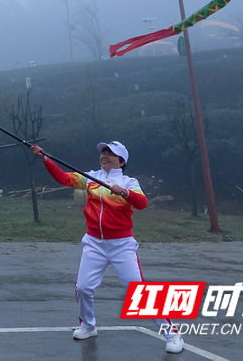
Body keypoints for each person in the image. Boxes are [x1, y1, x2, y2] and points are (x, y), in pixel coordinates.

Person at [30, 140, 184, 354]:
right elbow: (64, 178)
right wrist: (45, 159)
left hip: (121, 245)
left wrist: (124, 193)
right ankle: (87, 325)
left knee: (138, 291)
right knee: (83, 287)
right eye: (103, 153)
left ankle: (173, 334)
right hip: (94, 243)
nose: (104, 156)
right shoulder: (92, 178)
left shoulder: (130, 182)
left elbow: (142, 203)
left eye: (110, 153)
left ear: (121, 161)